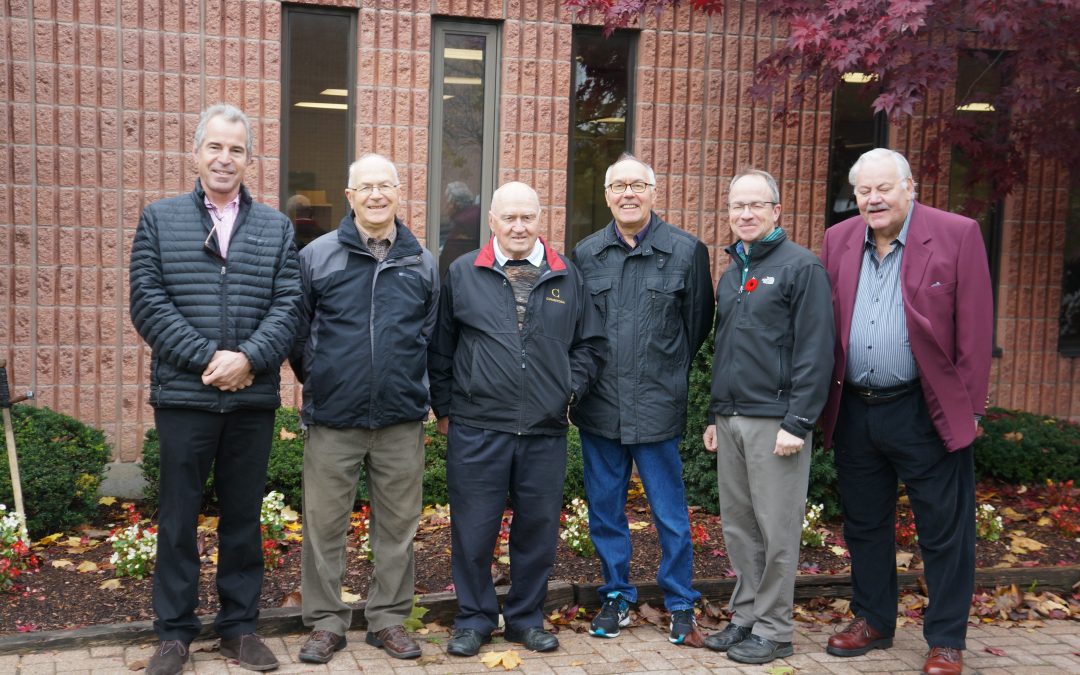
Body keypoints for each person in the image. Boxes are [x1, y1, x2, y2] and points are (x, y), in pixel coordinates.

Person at [129, 103, 301, 675]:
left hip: (251, 401)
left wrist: (249, 359)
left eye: (236, 149)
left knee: (244, 518)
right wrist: (211, 360)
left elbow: (290, 306)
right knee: (178, 518)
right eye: (215, 147)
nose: (225, 158)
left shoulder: (277, 227)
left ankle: (239, 628)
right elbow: (148, 303)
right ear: (196, 153)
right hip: (185, 398)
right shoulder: (160, 219)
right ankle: (174, 634)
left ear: (250, 159)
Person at [819, 148, 993, 675]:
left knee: (944, 531)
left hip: (925, 408)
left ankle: (945, 639)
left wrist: (969, 410)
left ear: (909, 187)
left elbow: (975, 330)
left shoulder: (956, 234)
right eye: (863, 191)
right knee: (866, 525)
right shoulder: (839, 239)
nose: (872, 199)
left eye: (883, 189)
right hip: (856, 409)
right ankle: (873, 619)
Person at [428, 181, 606, 657]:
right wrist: (446, 409)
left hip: (544, 429)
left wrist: (568, 388)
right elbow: (441, 347)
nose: (519, 226)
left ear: (540, 218)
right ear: (492, 221)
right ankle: (474, 619)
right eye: (509, 217)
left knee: (537, 532)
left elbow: (591, 345)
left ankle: (526, 619)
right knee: (473, 531)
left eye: (527, 216)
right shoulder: (464, 271)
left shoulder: (567, 275)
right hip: (477, 425)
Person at [289, 154, 439, 663]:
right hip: (334, 418)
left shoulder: (422, 261)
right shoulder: (318, 256)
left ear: (400, 193)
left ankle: (388, 619)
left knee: (398, 528)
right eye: (365, 187)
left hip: (400, 419)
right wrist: (326, 380)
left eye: (385, 186)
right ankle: (327, 623)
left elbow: (431, 336)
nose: (376, 195)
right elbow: (297, 334)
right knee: (323, 526)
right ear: (349, 197)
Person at [570, 153, 714, 644]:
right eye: (617, 186)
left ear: (654, 191)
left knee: (670, 514)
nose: (627, 194)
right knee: (605, 510)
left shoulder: (686, 250)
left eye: (637, 185)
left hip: (657, 406)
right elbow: (580, 332)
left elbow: (695, 328)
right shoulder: (586, 254)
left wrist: (665, 374)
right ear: (607, 194)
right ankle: (616, 594)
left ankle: (679, 601)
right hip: (601, 409)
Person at [701, 169, 834, 664]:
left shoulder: (803, 268)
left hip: (776, 423)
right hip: (732, 419)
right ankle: (746, 617)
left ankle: (776, 630)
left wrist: (798, 422)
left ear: (777, 211)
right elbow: (726, 351)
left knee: (777, 530)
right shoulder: (733, 271)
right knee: (739, 527)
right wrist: (716, 414)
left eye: (757, 205)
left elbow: (816, 352)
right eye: (738, 206)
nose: (746, 214)